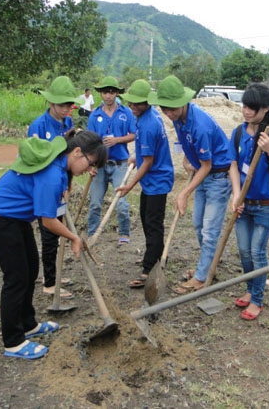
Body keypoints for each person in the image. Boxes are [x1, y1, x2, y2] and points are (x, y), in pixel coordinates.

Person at [0, 130, 107, 360]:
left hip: (16, 220)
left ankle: (28, 323)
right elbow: (48, 221)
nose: (89, 169)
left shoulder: (59, 164)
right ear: (77, 152)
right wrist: (74, 237)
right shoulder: (52, 174)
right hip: (0, 220)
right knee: (16, 279)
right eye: (91, 163)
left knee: (30, 271)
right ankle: (13, 341)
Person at [148, 75, 232, 294]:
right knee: (198, 224)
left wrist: (184, 192)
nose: (168, 112)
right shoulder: (178, 118)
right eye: (165, 108)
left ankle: (202, 277)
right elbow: (186, 145)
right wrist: (187, 159)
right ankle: (208, 266)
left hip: (217, 177)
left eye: (172, 108)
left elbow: (207, 165)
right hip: (202, 173)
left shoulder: (200, 125)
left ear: (184, 102)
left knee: (210, 229)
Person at [229, 83, 269, 319]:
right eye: (244, 106)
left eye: (252, 108)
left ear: (266, 109)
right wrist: (236, 194)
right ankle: (249, 287)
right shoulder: (237, 133)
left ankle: (257, 299)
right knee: (244, 251)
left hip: (266, 205)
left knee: (257, 252)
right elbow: (233, 165)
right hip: (244, 204)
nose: (246, 111)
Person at [115, 80, 174, 288]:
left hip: (157, 180)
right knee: (146, 219)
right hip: (151, 180)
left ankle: (150, 268)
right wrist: (135, 156)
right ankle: (154, 254)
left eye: (138, 104)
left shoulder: (149, 124)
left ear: (147, 103)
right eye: (131, 103)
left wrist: (128, 186)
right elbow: (145, 152)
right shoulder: (144, 117)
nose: (133, 107)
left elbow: (148, 161)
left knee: (153, 223)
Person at [27, 76, 77, 299]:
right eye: (62, 105)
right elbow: (34, 159)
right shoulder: (39, 125)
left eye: (68, 105)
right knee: (48, 233)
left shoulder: (69, 124)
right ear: (51, 103)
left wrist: (68, 185)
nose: (66, 109)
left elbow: (70, 159)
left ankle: (54, 274)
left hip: (61, 184)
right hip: (45, 187)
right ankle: (48, 282)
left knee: (57, 235)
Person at [86, 76, 136, 244]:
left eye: (112, 92)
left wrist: (117, 140)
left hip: (120, 164)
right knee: (94, 203)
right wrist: (91, 164)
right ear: (100, 93)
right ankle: (92, 234)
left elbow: (134, 134)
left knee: (121, 203)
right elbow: (90, 140)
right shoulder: (94, 115)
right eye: (105, 92)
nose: (108, 95)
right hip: (100, 165)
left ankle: (124, 233)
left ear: (116, 93)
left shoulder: (126, 113)